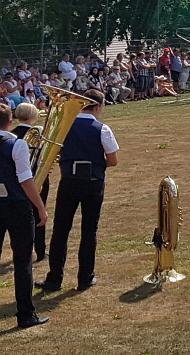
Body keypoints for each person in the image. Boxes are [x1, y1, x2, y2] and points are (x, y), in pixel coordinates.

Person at [37, 89, 119, 293]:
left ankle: (54, 279)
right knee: (89, 230)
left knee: (60, 230)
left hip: (69, 182)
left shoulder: (65, 126)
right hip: (93, 182)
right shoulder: (102, 129)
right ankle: (85, 278)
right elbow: (113, 160)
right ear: (98, 106)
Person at [0, 103, 50, 328]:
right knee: (22, 261)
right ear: (10, 121)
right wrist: (40, 206)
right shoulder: (17, 144)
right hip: (17, 206)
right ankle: (26, 314)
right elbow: (25, 180)